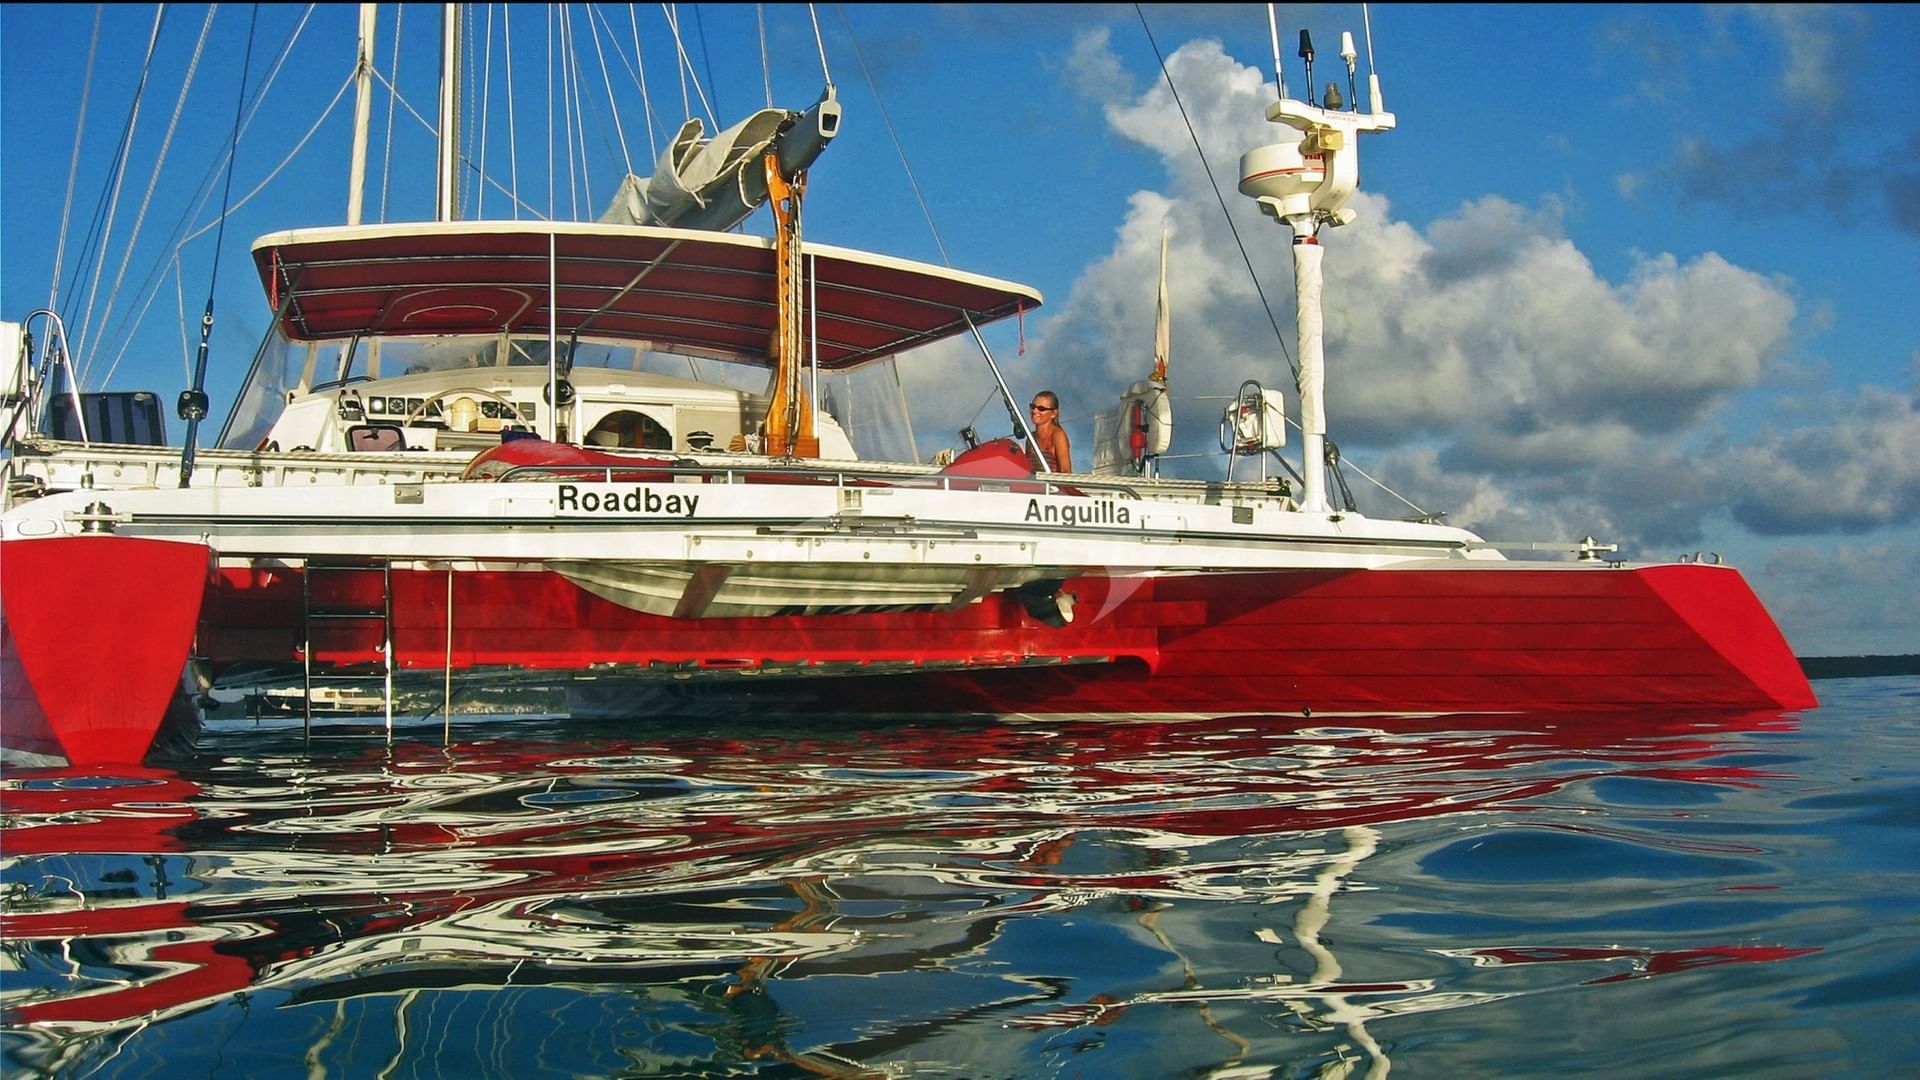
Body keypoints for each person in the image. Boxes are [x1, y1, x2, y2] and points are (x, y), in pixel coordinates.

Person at [1027, 390, 1072, 473]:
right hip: (1034, 484)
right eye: (1033, 406)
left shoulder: (1058, 435)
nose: (1035, 411)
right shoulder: (1031, 437)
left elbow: (1065, 471)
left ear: (1053, 414)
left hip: (1052, 485)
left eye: (1041, 408)